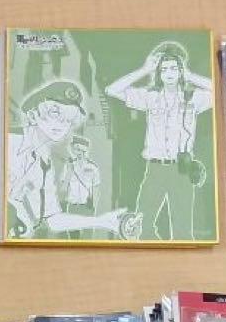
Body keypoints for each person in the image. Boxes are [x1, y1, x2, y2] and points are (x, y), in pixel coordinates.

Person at [106, 43, 213, 240]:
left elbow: (220, 91)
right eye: (163, 69)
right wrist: (144, 69)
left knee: (183, 231)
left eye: (174, 68)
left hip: (181, 170)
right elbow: (112, 90)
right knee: (143, 226)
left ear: (181, 70)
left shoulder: (193, 98)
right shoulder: (150, 97)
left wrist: (190, 76)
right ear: (158, 73)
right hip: (154, 169)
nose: (169, 73)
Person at [7, 81, 134, 238]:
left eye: (68, 119)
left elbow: (52, 219)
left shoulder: (44, 164)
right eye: (55, 113)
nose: (61, 124)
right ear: (33, 114)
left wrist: (103, 222)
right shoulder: (7, 141)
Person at [57, 136, 101, 213]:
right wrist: (69, 171)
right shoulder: (68, 166)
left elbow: (96, 189)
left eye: (82, 150)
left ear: (86, 150)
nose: (79, 153)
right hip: (72, 207)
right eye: (77, 150)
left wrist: (94, 208)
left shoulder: (93, 167)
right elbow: (63, 189)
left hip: (87, 207)